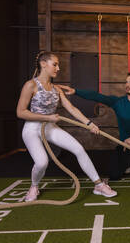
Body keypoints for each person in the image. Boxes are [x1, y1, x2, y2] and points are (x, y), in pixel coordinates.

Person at [16, 51, 117, 202]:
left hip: (50, 128)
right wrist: (47, 117)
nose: (58, 68)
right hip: (32, 129)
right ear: (43, 64)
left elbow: (72, 109)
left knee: (79, 149)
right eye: (55, 64)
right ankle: (34, 186)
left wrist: (89, 124)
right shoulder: (30, 85)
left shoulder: (56, 89)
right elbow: (21, 112)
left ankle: (98, 185)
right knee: (42, 162)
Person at [70, 72, 130, 187]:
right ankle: (129, 162)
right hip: (126, 144)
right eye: (126, 82)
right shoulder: (118, 102)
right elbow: (96, 96)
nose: (127, 85)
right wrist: (75, 91)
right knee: (114, 174)